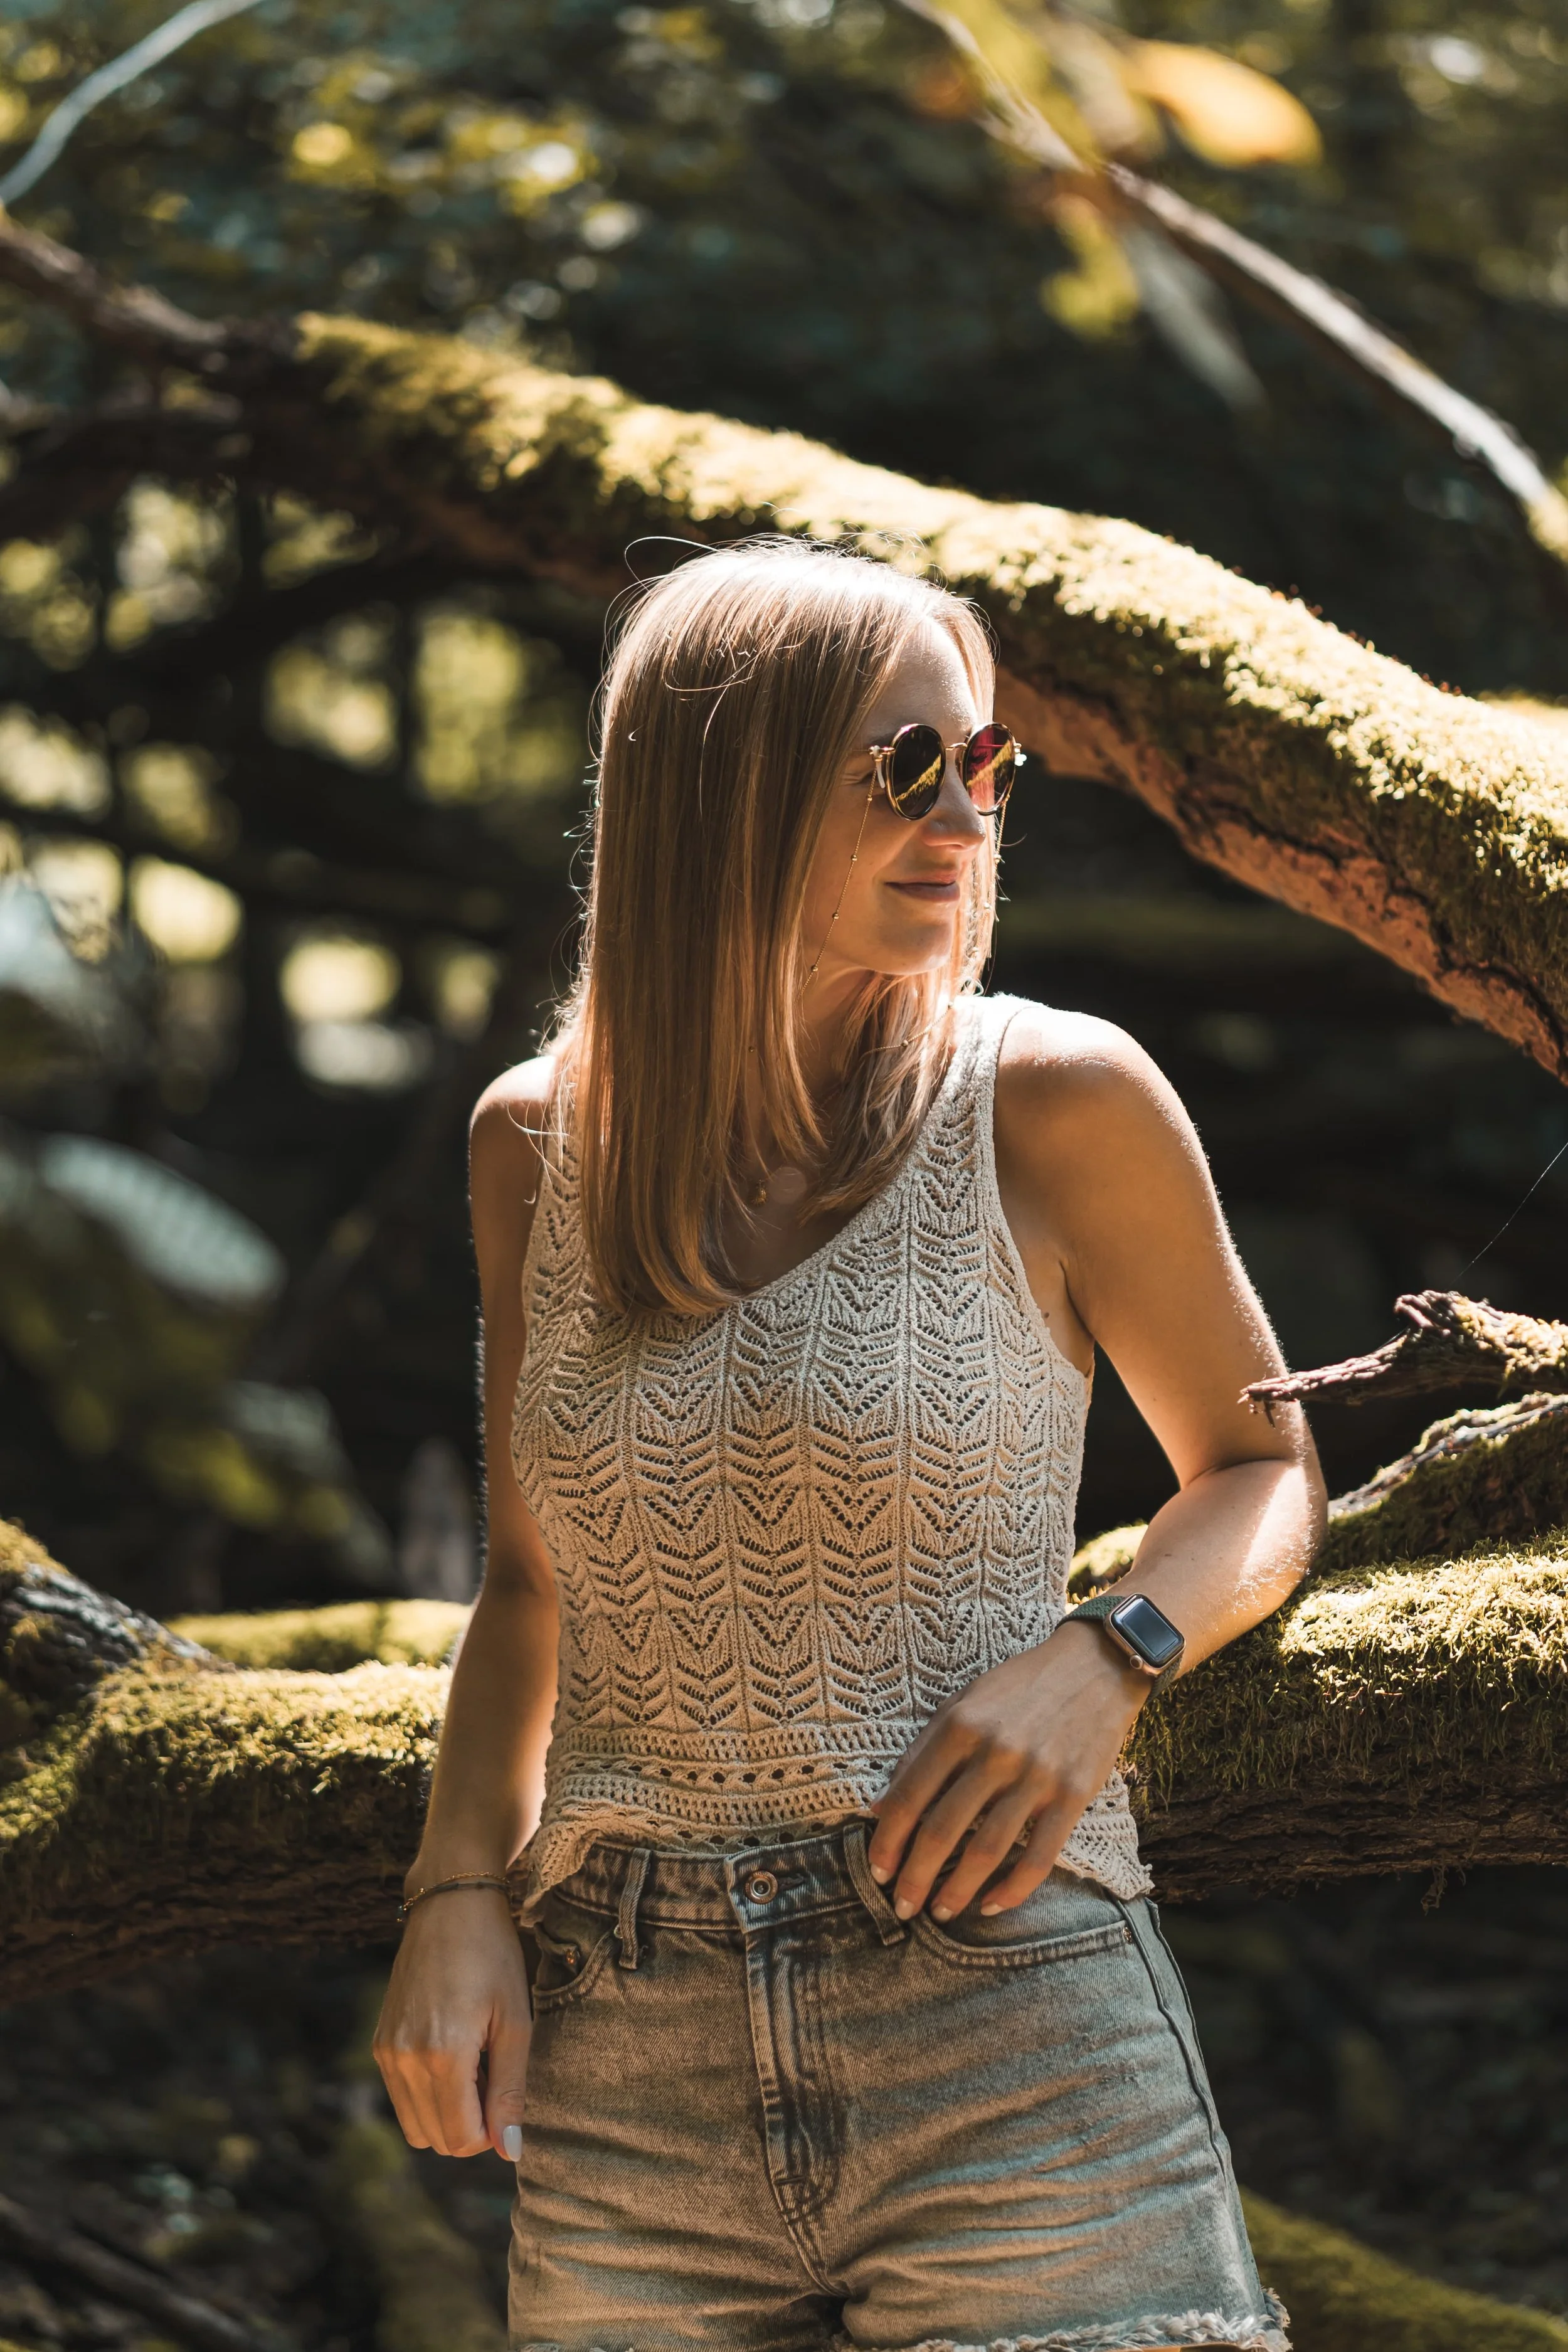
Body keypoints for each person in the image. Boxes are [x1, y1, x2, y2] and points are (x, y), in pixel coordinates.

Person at [374, 538, 1325, 2352]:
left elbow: (1263, 1467)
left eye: (988, 767)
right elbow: (526, 1583)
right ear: (719, 781)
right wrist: (453, 1900)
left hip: (1005, 2017)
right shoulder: (530, 1147)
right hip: (621, 2060)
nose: (966, 816)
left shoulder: (1055, 1097)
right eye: (908, 763)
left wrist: (1105, 1653)